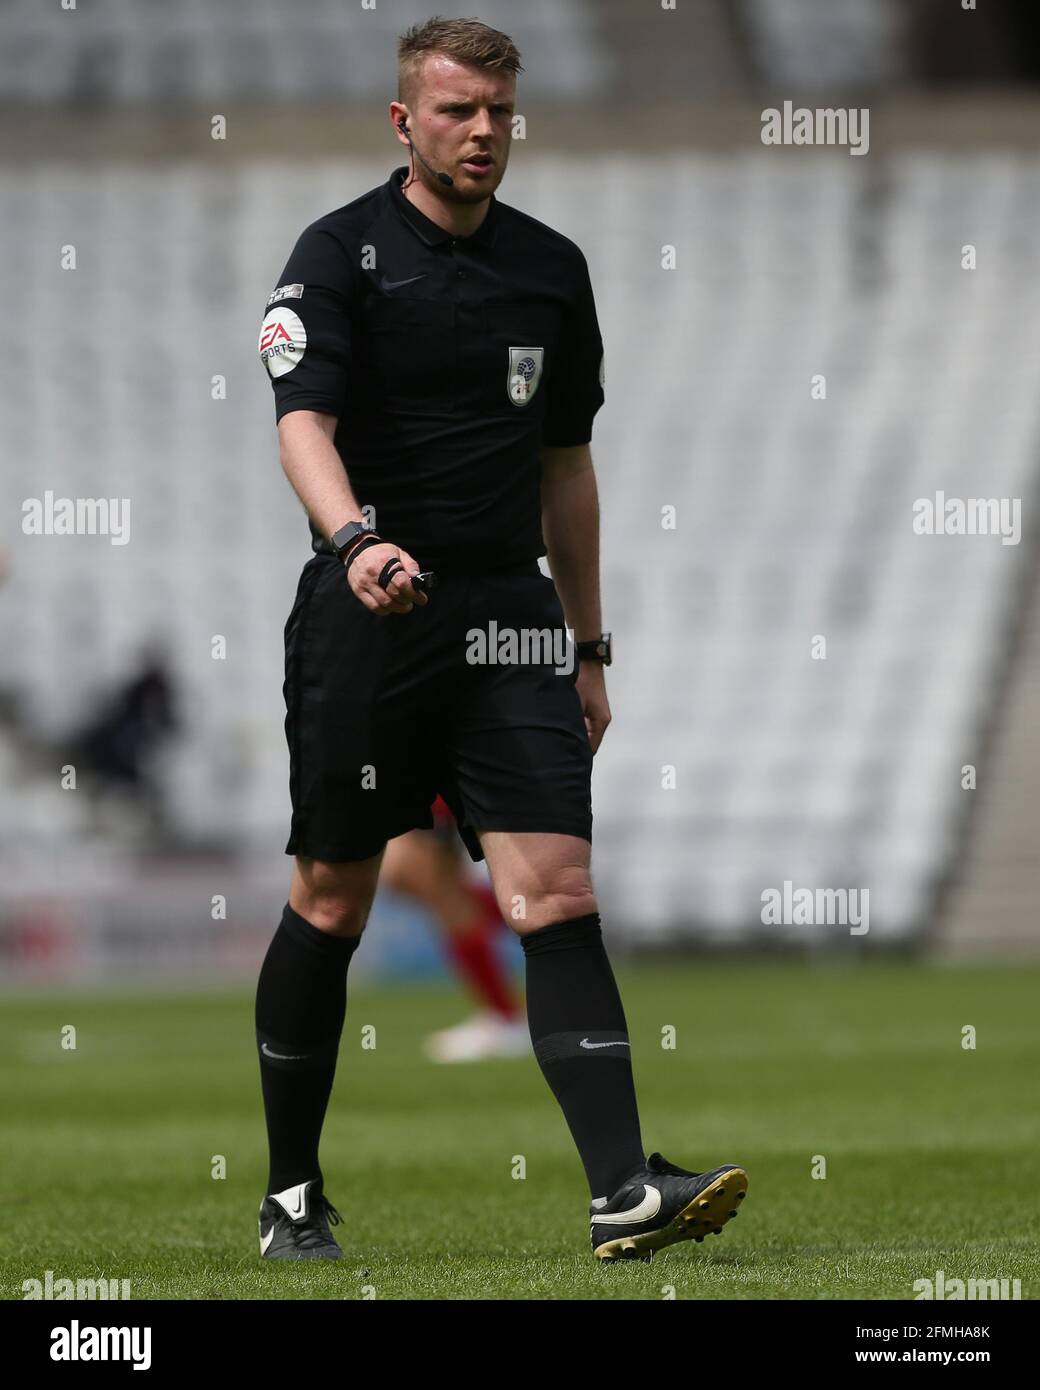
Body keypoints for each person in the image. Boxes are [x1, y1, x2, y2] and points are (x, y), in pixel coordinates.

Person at [255, 15, 748, 1263]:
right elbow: (300, 424)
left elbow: (566, 464)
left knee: (558, 890)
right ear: (402, 121)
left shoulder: (550, 268)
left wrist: (589, 645)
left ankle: (620, 1188)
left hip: (511, 620)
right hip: (371, 611)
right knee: (331, 896)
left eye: (498, 114)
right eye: (457, 111)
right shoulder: (338, 256)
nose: (481, 133)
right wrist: (355, 541)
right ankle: (292, 1194)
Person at [379, 796, 529, 1063]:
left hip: (437, 780)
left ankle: (506, 1018)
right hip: (418, 773)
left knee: (437, 887)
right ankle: (553, 926)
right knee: (412, 877)